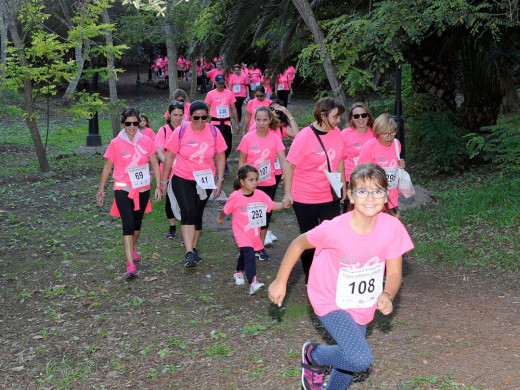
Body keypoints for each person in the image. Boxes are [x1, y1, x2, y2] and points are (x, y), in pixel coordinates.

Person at [268, 163, 414, 390]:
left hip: (361, 302)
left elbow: (395, 272)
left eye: (377, 191)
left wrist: (388, 293)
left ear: (386, 196)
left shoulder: (392, 228)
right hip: (329, 298)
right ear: (351, 196)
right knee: (359, 358)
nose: (370, 197)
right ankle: (313, 355)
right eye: (362, 191)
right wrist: (280, 281)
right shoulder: (334, 229)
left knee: (349, 361)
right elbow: (298, 244)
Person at [283, 97, 347, 284]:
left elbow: (340, 159)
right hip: (305, 197)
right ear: (323, 115)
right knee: (310, 237)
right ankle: (311, 276)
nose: (338, 121)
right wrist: (288, 193)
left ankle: (329, 273)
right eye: (335, 117)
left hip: (329, 195)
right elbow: (289, 165)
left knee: (332, 236)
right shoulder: (304, 136)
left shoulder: (337, 133)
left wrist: (342, 185)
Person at [96, 108, 162, 278]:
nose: (132, 127)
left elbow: (155, 164)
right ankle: (130, 264)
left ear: (139, 122)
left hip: (142, 187)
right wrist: (101, 190)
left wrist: (158, 186)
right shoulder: (115, 143)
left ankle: (132, 247)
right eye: (128, 123)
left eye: (135, 123)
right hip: (123, 187)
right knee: (128, 224)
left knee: (137, 225)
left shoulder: (146, 141)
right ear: (123, 123)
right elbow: (107, 168)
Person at [160, 101, 227, 267]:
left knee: (197, 213)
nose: (200, 120)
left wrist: (220, 180)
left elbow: (220, 156)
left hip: (205, 178)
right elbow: (169, 157)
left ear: (208, 117)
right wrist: (163, 181)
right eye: (196, 117)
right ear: (190, 117)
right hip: (182, 176)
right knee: (188, 211)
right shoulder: (181, 131)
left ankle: (194, 248)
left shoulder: (214, 131)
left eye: (204, 117)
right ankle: (189, 252)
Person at [217, 165, 286, 294]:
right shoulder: (235, 196)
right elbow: (225, 210)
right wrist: (220, 218)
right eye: (251, 180)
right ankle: (252, 282)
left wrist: (283, 204)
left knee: (245, 253)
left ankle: (238, 272)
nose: (255, 183)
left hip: (253, 232)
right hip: (240, 231)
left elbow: (271, 205)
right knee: (249, 254)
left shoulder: (260, 195)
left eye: (256, 179)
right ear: (242, 182)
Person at [237, 106, 287, 261]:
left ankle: (259, 247)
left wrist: (286, 177)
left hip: (268, 182)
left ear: (270, 120)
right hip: (251, 184)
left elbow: (283, 160)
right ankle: (247, 246)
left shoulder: (275, 138)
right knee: (249, 215)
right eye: (258, 120)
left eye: (265, 120)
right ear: (254, 120)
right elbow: (242, 160)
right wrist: (242, 181)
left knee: (264, 215)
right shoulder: (248, 138)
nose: (261, 123)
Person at [357, 113, 405, 213]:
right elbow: (360, 173)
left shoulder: (397, 144)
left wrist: (401, 165)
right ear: (377, 133)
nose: (389, 137)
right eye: (385, 134)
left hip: (392, 197)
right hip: (374, 199)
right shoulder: (369, 147)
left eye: (392, 132)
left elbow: (395, 165)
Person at [155, 101, 185, 239]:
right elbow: (159, 150)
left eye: (180, 115)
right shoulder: (164, 130)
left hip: (185, 170)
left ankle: (186, 225)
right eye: (175, 115)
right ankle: (172, 226)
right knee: (169, 199)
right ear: (169, 115)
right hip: (169, 169)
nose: (178, 118)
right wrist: (170, 162)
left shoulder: (187, 129)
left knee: (185, 198)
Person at [341, 102, 375, 212]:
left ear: (368, 116)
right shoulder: (345, 134)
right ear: (352, 118)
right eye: (356, 116)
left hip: (369, 177)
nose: (360, 118)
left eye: (363, 115)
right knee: (349, 210)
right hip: (350, 178)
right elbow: (338, 157)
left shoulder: (375, 133)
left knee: (367, 209)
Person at [204, 74, 239, 172]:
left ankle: (224, 161)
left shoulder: (229, 93)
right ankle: (214, 163)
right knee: (213, 145)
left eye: (223, 83)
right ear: (215, 83)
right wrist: (205, 120)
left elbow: (233, 108)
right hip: (214, 122)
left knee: (228, 145)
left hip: (227, 122)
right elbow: (205, 107)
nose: (221, 85)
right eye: (219, 83)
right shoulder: (210, 94)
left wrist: (237, 123)